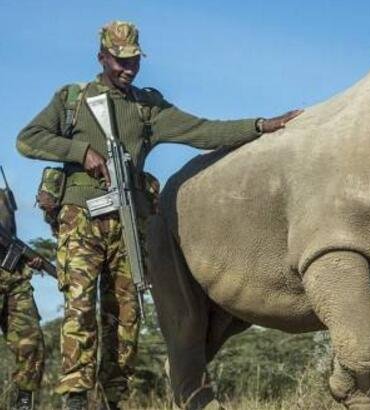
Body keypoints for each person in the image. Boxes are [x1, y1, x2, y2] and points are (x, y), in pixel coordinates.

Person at [16, 20, 301, 410]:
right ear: (102, 57)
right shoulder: (72, 99)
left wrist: (260, 126)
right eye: (119, 61)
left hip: (130, 222)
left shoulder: (146, 106)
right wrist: (80, 153)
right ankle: (76, 398)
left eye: (133, 61)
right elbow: (27, 139)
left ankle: (114, 397)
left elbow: (203, 131)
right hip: (80, 218)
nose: (127, 69)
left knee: (125, 316)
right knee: (80, 307)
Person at [0, 188, 45, 410]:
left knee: (31, 343)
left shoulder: (5, 195)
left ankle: (23, 403)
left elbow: (10, 236)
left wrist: (27, 258)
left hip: (14, 278)